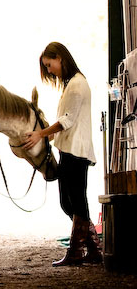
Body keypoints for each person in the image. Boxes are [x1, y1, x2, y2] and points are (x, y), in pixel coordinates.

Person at [23, 42, 102, 266]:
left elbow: (66, 121)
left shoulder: (77, 85)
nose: (49, 71)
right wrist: (44, 137)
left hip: (75, 151)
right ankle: (93, 249)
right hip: (69, 149)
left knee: (75, 202)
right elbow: (68, 124)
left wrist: (41, 134)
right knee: (70, 203)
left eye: (49, 65)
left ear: (60, 58)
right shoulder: (71, 84)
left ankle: (78, 252)